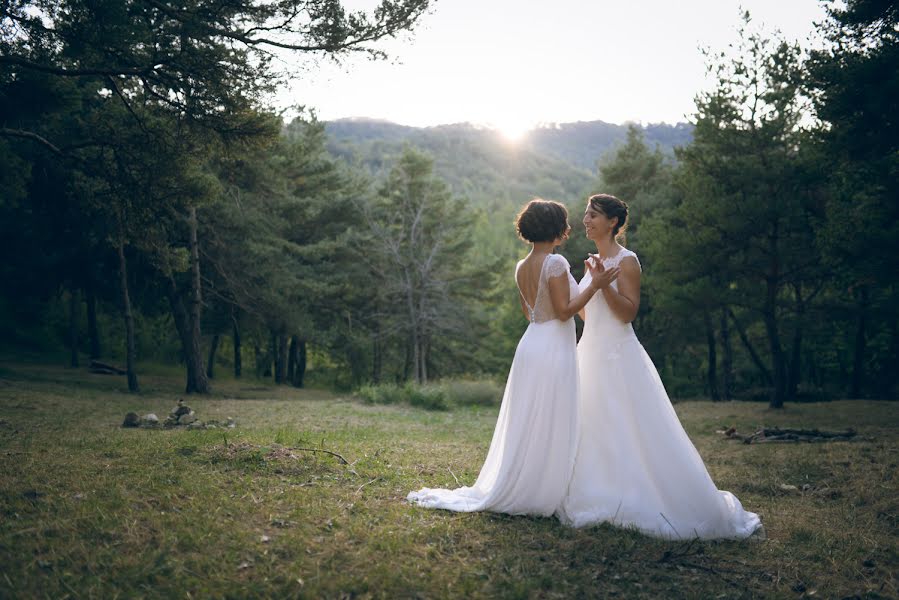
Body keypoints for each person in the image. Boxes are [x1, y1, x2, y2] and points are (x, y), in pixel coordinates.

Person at [558, 193, 762, 539]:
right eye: (586, 214)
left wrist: (602, 285)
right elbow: (585, 312)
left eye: (593, 214)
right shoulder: (592, 261)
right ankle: (600, 489)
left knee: (630, 425)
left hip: (619, 355)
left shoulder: (628, 260)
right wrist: (590, 282)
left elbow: (627, 313)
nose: (586, 219)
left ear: (612, 222)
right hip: (589, 350)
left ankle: (643, 496)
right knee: (592, 423)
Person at [407, 199, 615, 515]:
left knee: (531, 417)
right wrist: (596, 285)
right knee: (550, 416)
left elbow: (529, 311)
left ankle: (532, 480)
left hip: (532, 342)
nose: (570, 229)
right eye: (565, 224)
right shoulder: (555, 264)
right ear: (555, 229)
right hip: (553, 347)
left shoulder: (521, 266)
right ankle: (543, 488)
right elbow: (563, 312)